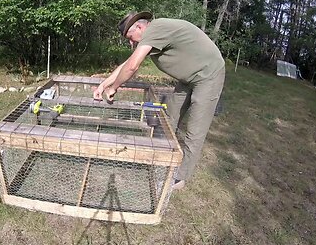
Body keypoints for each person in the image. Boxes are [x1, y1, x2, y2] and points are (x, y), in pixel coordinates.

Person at [93, 12, 225, 190]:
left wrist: (114, 88)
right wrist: (103, 85)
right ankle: (162, 158)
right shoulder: (152, 34)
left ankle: (178, 178)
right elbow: (126, 64)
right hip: (188, 78)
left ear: (140, 27)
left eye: (130, 38)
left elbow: (132, 67)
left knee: (195, 131)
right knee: (169, 118)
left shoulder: (156, 29)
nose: (131, 43)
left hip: (209, 75)